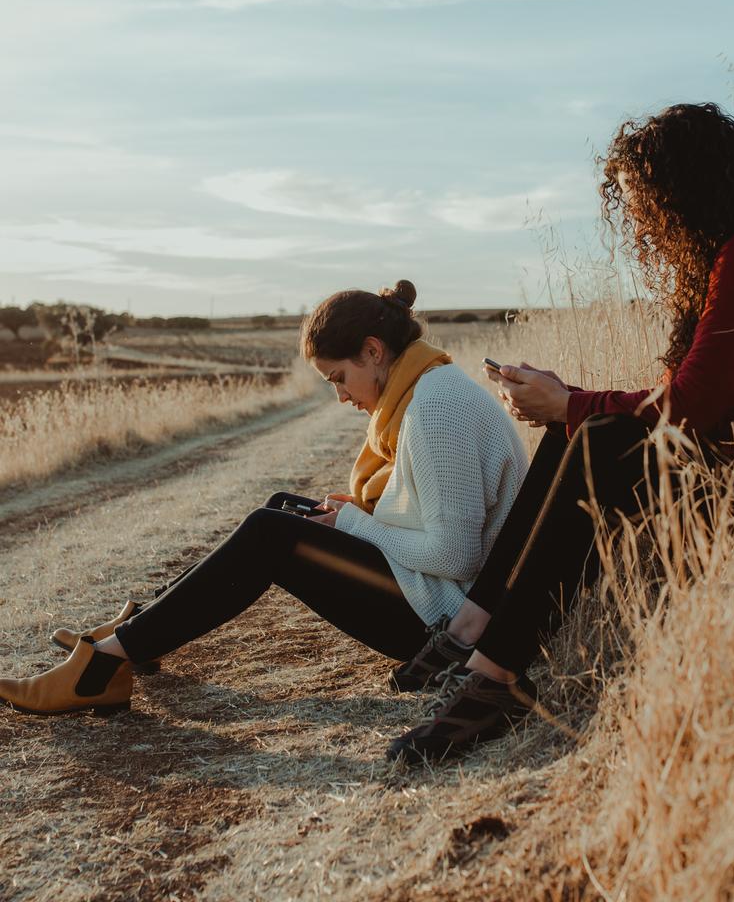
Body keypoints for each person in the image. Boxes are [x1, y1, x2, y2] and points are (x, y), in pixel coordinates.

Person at [388, 102, 734, 764]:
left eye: (644, 202)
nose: (641, 223)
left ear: (685, 186)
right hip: (721, 466)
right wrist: (569, 403)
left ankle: (497, 674)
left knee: (593, 436)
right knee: (582, 433)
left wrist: (571, 402)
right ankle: (478, 622)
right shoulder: (728, 253)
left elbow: (693, 407)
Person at [0, 280, 529, 716]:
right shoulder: (424, 392)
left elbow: (457, 555)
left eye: (339, 378)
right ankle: (138, 631)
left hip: (448, 622)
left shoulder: (437, 409)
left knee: (270, 534)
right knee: (283, 508)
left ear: (373, 350)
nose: (340, 395)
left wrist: (355, 525)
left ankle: (107, 662)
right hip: (435, 593)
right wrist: (355, 517)